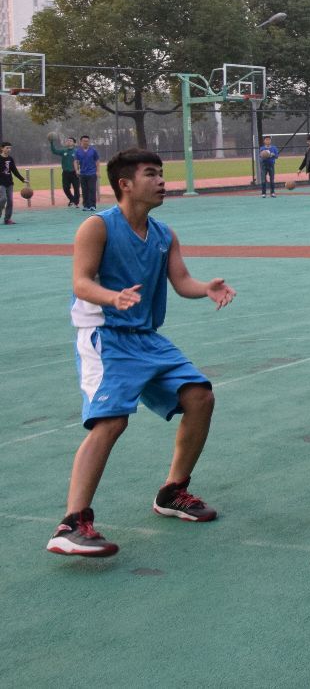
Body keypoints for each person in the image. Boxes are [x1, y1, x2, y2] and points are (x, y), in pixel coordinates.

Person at [45, 148, 236, 558]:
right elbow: (81, 282)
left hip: (146, 337)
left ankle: (172, 492)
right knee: (111, 421)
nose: (162, 180)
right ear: (125, 184)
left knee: (200, 396)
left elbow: (181, 281)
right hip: (105, 336)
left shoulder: (164, 234)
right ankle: (71, 524)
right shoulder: (97, 227)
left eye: (162, 173)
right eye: (152, 174)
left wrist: (205, 288)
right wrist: (111, 297)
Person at [49, 133, 80, 208]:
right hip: (66, 173)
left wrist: (79, 170)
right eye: (67, 141)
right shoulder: (64, 151)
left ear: (74, 143)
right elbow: (54, 151)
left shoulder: (77, 152)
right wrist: (51, 142)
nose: (68, 142)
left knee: (76, 188)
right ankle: (72, 199)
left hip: (75, 173)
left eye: (70, 141)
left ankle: (76, 203)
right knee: (65, 188)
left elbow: (81, 161)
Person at [1, 140, 27, 225]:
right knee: (3, 199)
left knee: (10, 201)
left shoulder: (10, 159)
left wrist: (22, 179)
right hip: (1, 183)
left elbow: (14, 171)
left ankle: (7, 219)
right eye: (7, 148)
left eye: (10, 148)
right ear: (2, 148)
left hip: (9, 183)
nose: (9, 149)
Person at [75, 135, 100, 212]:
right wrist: (77, 170)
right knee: (84, 190)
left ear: (89, 142)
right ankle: (86, 206)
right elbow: (76, 161)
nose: (86, 142)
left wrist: (98, 171)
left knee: (92, 189)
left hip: (92, 173)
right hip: (83, 174)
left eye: (87, 141)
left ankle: (92, 205)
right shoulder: (78, 151)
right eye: (84, 141)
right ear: (81, 142)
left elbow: (97, 161)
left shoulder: (93, 151)